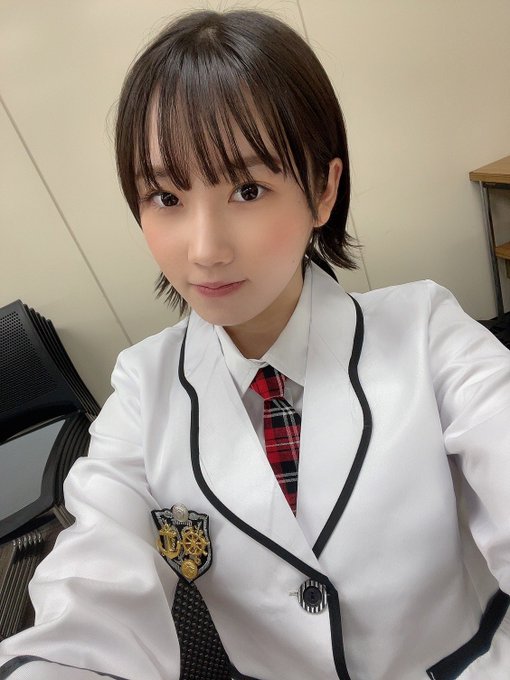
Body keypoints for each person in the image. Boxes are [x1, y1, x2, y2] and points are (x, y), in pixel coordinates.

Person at [1, 8, 509, 680]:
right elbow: (91, 592)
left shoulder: (428, 332)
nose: (205, 250)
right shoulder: (142, 391)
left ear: (323, 191)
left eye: (247, 189)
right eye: (165, 197)